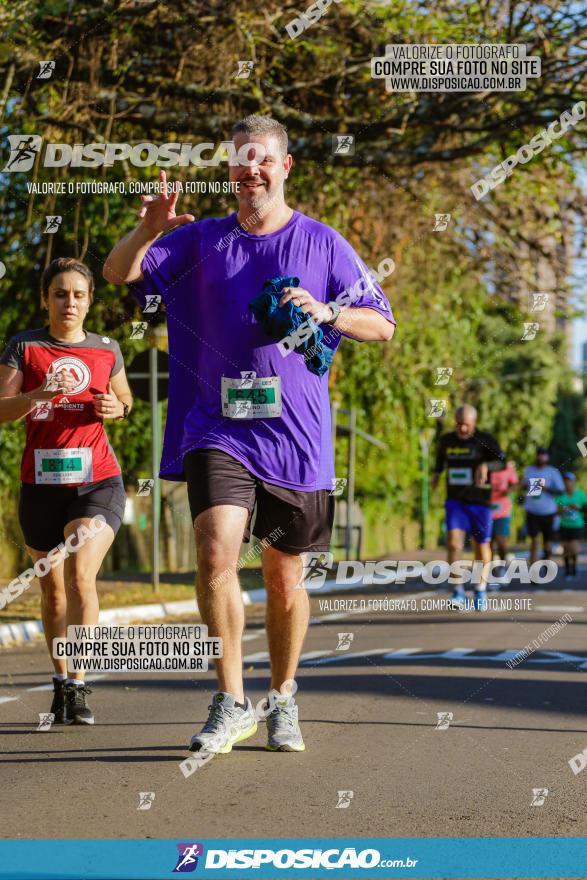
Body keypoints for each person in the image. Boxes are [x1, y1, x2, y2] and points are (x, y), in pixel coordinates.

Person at [103, 114, 396, 754]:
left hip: (296, 438)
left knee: (285, 578)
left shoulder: (322, 244)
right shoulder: (202, 239)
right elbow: (118, 274)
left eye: (262, 160)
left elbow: (383, 325)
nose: (250, 171)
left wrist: (329, 311)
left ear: (285, 167)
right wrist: (148, 229)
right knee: (215, 551)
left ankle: (283, 697)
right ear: (230, 170)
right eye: (240, 161)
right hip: (217, 427)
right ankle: (230, 699)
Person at [0, 258, 132, 724]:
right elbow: (0, 409)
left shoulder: (107, 349)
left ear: (90, 300)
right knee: (53, 592)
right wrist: (32, 399)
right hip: (40, 486)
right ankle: (60, 683)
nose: (69, 302)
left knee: (80, 575)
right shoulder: (25, 347)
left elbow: (125, 401)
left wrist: (116, 406)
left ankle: (78, 683)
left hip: (96, 481)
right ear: (46, 299)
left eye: (78, 294)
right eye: (60, 293)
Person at [432, 404, 505, 611]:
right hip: (455, 501)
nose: (462, 429)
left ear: (474, 423)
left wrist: (485, 466)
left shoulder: (486, 440)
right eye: (458, 424)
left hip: (480, 503)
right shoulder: (446, 440)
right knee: (454, 544)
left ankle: (480, 588)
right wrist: (436, 475)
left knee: (482, 547)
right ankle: (457, 590)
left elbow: (502, 461)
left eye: (466, 425)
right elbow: (439, 462)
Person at [522, 447, 565, 565]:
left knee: (547, 542)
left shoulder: (553, 471)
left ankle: (547, 563)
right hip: (532, 510)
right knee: (534, 540)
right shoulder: (528, 470)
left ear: (547, 457)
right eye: (539, 454)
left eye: (543, 455)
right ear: (536, 456)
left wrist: (546, 488)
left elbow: (561, 491)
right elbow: (523, 487)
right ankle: (534, 570)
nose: (541, 457)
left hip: (548, 511)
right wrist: (525, 486)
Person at [489, 459, 519, 586]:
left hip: (502, 511)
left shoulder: (507, 467)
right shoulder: (482, 465)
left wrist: (509, 489)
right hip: (485, 509)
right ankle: (491, 571)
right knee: (487, 543)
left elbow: (516, 484)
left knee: (501, 542)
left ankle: (502, 567)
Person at [556, 472, 587, 580]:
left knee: (573, 548)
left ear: (573, 482)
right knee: (565, 548)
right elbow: (555, 510)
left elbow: (585, 507)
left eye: (569, 480)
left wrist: (578, 508)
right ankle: (567, 570)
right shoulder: (560, 495)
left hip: (576, 525)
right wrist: (561, 510)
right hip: (563, 525)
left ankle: (573, 567)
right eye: (565, 480)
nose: (567, 483)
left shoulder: (580, 494)